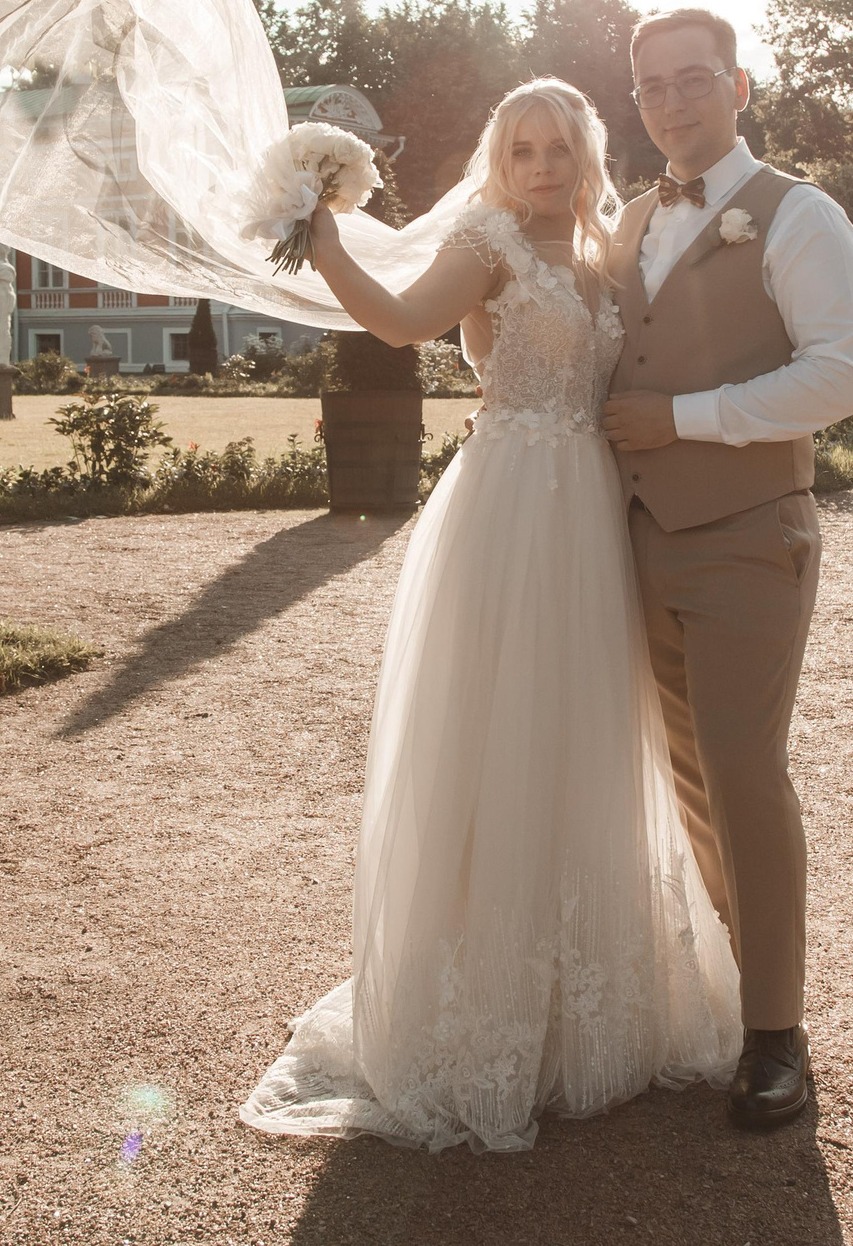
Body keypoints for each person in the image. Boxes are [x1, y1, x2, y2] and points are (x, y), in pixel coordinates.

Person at [238, 79, 742, 1153]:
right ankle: (485, 1011)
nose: (543, 165)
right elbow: (398, 322)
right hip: (509, 508)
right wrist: (318, 231)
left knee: (590, 738)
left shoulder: (615, 250)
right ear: (499, 160)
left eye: (560, 146)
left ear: (587, 153)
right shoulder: (487, 241)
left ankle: (590, 1004)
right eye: (522, 148)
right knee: (495, 738)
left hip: (597, 517)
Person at [600, 8, 853, 1130]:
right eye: (653, 86)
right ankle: (726, 993)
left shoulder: (798, 214)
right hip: (629, 535)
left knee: (744, 772)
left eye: (694, 79)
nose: (673, 101)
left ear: (741, 85)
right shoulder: (625, 222)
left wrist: (688, 420)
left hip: (750, 531)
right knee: (685, 778)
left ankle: (777, 1035)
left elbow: (841, 376)